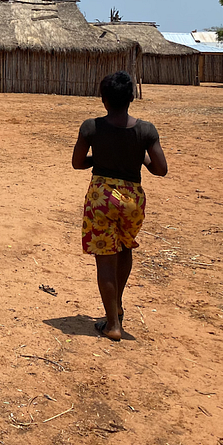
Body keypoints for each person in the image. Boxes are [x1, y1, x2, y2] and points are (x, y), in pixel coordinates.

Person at [72, 71, 167, 341]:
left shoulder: (91, 127)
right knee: (125, 247)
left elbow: (78, 163)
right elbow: (161, 170)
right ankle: (118, 307)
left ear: (103, 100)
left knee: (105, 260)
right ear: (131, 97)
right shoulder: (146, 130)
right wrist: (140, 159)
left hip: (101, 197)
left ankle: (113, 324)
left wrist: (99, 158)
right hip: (132, 199)